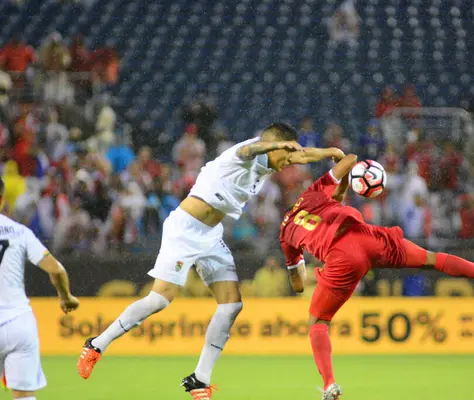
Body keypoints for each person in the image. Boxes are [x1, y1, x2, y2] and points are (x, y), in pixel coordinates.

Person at [76, 122, 344, 400]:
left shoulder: (271, 161)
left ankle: (199, 380)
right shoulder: (242, 153)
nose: (287, 163)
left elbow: (300, 155)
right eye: (284, 155)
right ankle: (96, 345)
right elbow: (253, 149)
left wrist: (330, 152)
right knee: (159, 300)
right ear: (273, 145)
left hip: (210, 235)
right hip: (184, 229)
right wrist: (277, 147)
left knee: (231, 305)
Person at [279, 154, 474, 400]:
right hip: (367, 237)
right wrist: (344, 163)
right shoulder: (311, 195)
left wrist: (303, 270)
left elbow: (298, 284)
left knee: (318, 322)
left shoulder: (285, 232)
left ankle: (330, 384)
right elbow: (349, 161)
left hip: (341, 256)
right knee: (432, 259)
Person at [0, 177, 80, 400]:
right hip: (18, 323)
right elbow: (56, 270)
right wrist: (66, 297)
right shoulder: (19, 232)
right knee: (25, 397)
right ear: (2, 200)